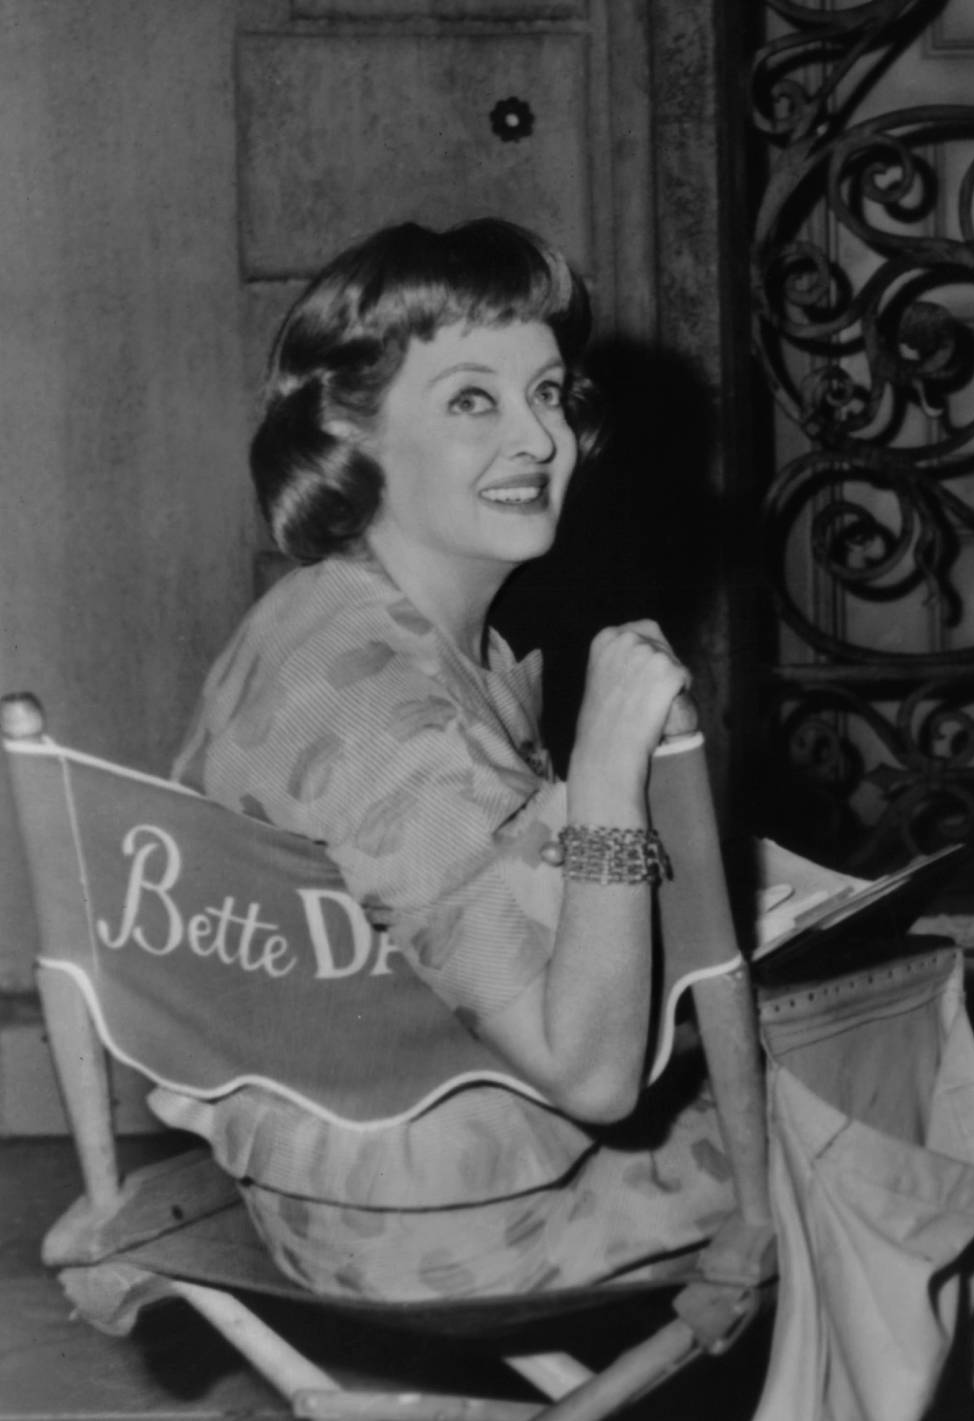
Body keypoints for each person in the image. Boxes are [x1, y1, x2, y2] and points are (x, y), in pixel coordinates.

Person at [160, 218, 738, 1300]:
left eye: (551, 393)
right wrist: (608, 770)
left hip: (380, 1150)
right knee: (874, 1119)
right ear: (351, 431)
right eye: (472, 400)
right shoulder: (383, 711)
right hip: (443, 1217)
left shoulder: (329, 612)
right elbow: (596, 1075)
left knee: (834, 1050)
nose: (537, 440)